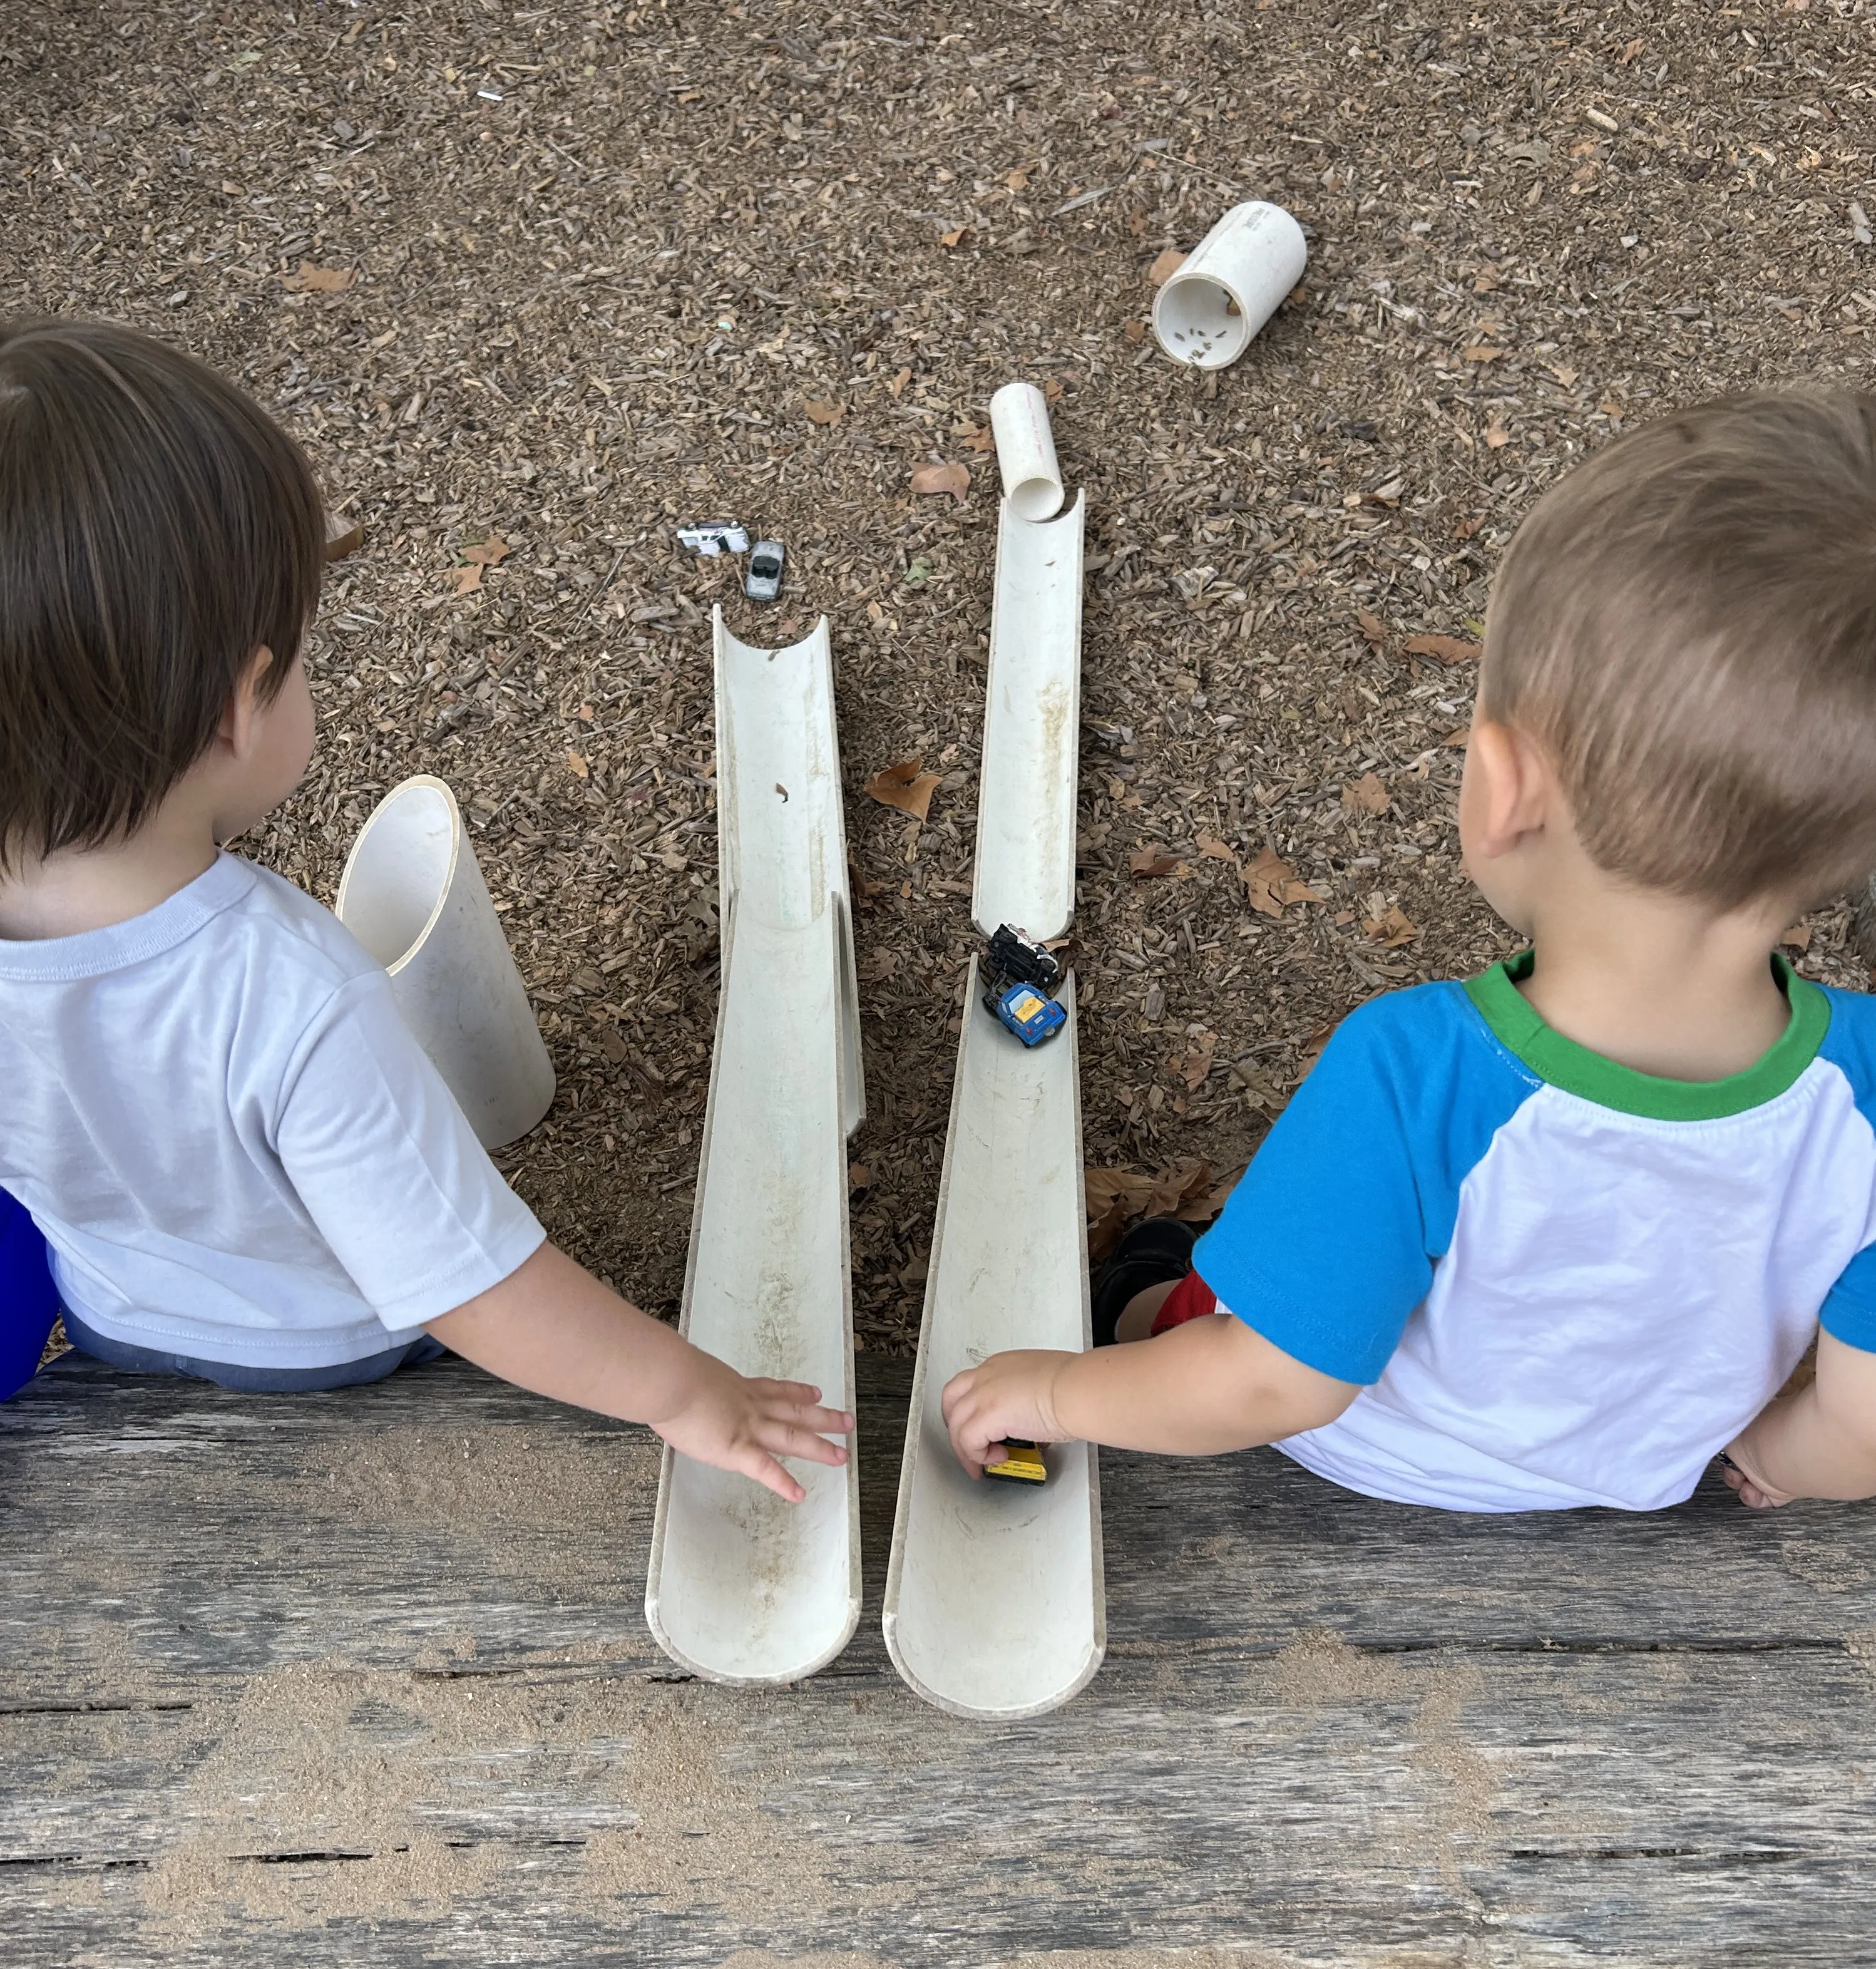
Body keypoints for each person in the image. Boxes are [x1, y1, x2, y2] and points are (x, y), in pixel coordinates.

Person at [944, 386, 1876, 1515]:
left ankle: (1135, 1292)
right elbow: (1858, 1430)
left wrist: (1048, 1390)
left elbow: (1273, 1383)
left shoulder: (1416, 1072)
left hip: (1371, 1452)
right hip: (1620, 1471)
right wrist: (1774, 1459)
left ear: (1505, 789)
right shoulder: (1862, 1090)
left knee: (1160, 1284)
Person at [0, 319, 849, 1503]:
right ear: (240, 710)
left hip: (113, 1309)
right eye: (297, 660)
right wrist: (687, 1392)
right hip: (327, 1338)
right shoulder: (289, 994)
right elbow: (472, 1283)